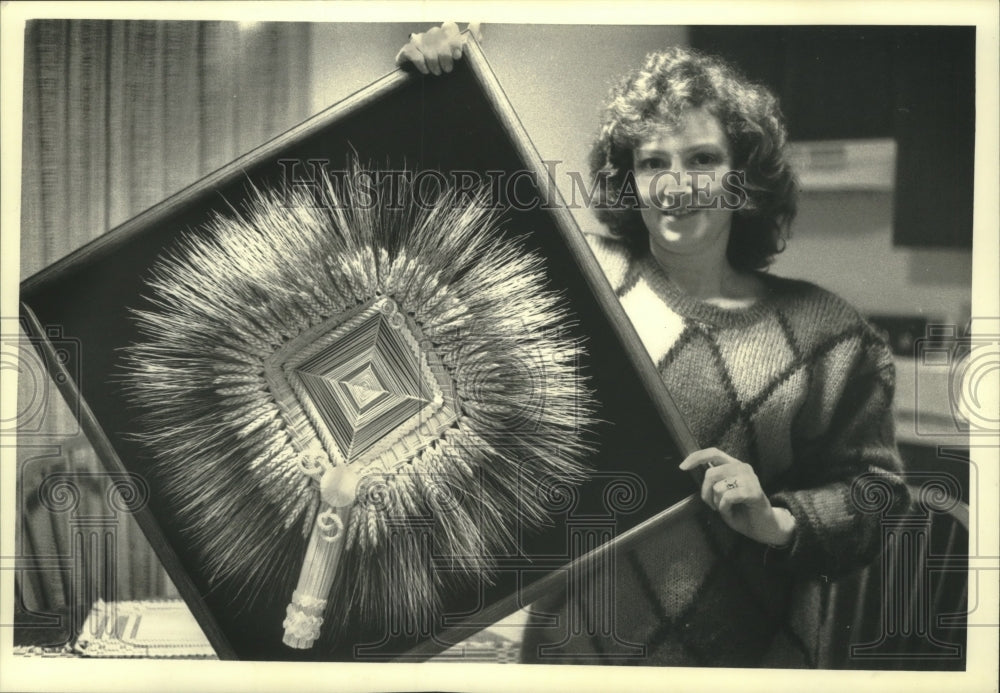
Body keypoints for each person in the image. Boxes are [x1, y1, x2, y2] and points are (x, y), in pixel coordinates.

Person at [397, 24, 910, 668]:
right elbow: (448, 227)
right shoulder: (579, 288)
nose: (677, 184)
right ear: (629, 182)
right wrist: (430, 93)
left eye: (702, 159)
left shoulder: (826, 332)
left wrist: (777, 521)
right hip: (572, 660)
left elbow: (876, 495)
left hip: (749, 665)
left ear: (742, 177)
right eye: (652, 163)